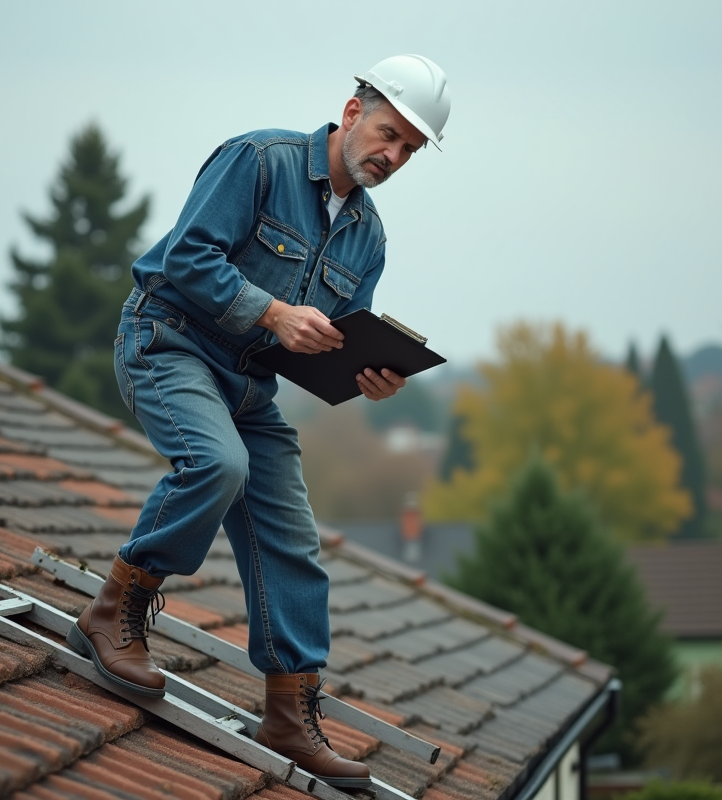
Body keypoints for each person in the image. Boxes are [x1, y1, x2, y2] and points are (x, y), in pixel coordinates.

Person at [68, 55, 451, 788]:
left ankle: (288, 712)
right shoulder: (258, 160)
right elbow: (186, 256)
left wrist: (367, 376)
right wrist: (273, 312)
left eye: (410, 149)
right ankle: (114, 611)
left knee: (295, 539)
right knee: (218, 464)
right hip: (167, 342)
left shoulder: (368, 238)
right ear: (352, 112)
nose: (394, 156)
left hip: (249, 389)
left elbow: (331, 341)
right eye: (389, 134)